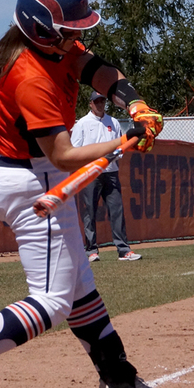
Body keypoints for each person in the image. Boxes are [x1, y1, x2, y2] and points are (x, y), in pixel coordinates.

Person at [0, 0, 180, 388]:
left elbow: (102, 72)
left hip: (30, 174)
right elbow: (62, 156)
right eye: (71, 29)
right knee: (54, 300)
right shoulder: (29, 74)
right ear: (44, 28)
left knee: (80, 286)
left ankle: (120, 382)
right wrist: (124, 140)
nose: (79, 35)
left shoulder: (52, 47)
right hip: (30, 182)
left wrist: (134, 105)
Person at [71, 91, 141, 262]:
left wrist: (115, 156)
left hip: (111, 172)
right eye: (96, 102)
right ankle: (91, 251)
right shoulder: (82, 124)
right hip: (90, 173)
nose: (100, 104)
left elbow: (120, 147)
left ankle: (124, 250)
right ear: (90, 104)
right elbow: (74, 149)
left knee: (117, 210)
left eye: (102, 101)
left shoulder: (113, 122)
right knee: (90, 211)